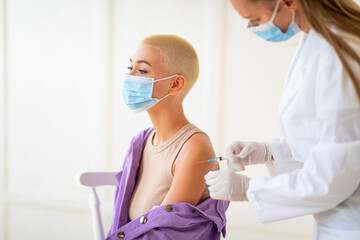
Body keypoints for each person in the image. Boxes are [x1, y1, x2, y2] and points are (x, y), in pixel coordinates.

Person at [204, 0, 360, 239]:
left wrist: (249, 189)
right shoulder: (314, 40)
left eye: (254, 19)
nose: (252, 27)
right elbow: (326, 133)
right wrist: (269, 151)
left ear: (288, 2)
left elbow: (334, 175)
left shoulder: (339, 54)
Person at [106, 34, 229, 240]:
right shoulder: (141, 142)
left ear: (175, 85)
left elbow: (165, 232)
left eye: (142, 70)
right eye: (130, 68)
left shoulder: (194, 148)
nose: (131, 76)